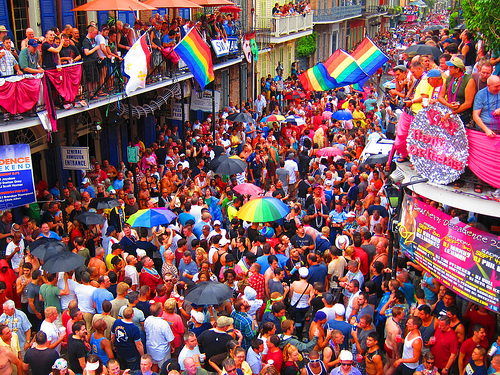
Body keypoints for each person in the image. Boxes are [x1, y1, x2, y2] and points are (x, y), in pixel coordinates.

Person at [111, 307, 144, 371]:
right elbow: (139, 345)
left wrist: (114, 345)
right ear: (132, 315)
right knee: (132, 372)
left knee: (122, 370)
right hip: (131, 354)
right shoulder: (134, 328)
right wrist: (142, 355)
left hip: (120, 352)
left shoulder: (116, 322)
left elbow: (112, 336)